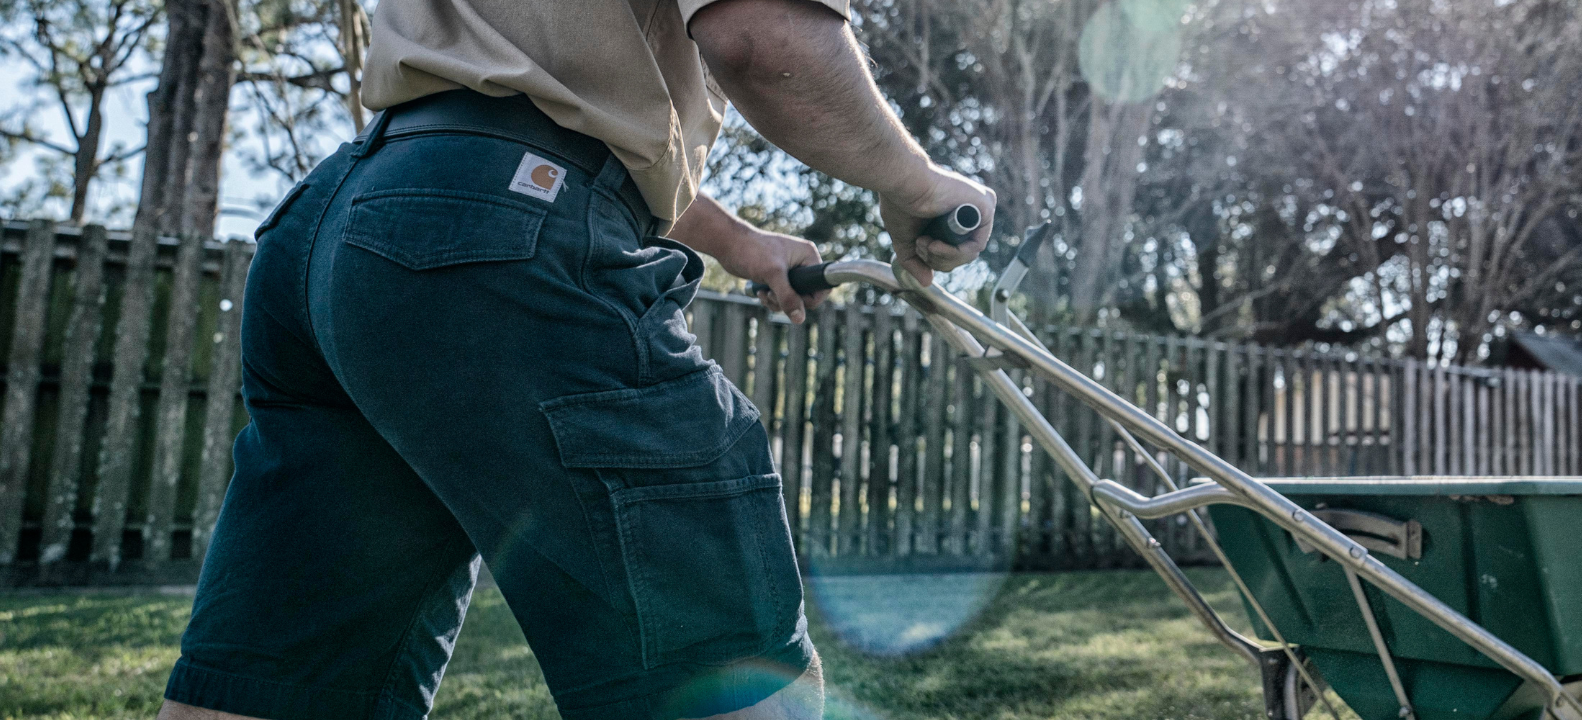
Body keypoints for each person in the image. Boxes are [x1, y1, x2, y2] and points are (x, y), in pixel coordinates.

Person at [156, 0, 995, 718]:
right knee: (730, 672)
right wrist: (915, 183)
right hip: (497, 233)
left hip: (344, 223)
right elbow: (761, 34)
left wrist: (740, 242)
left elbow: (541, 96)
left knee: (279, 687)